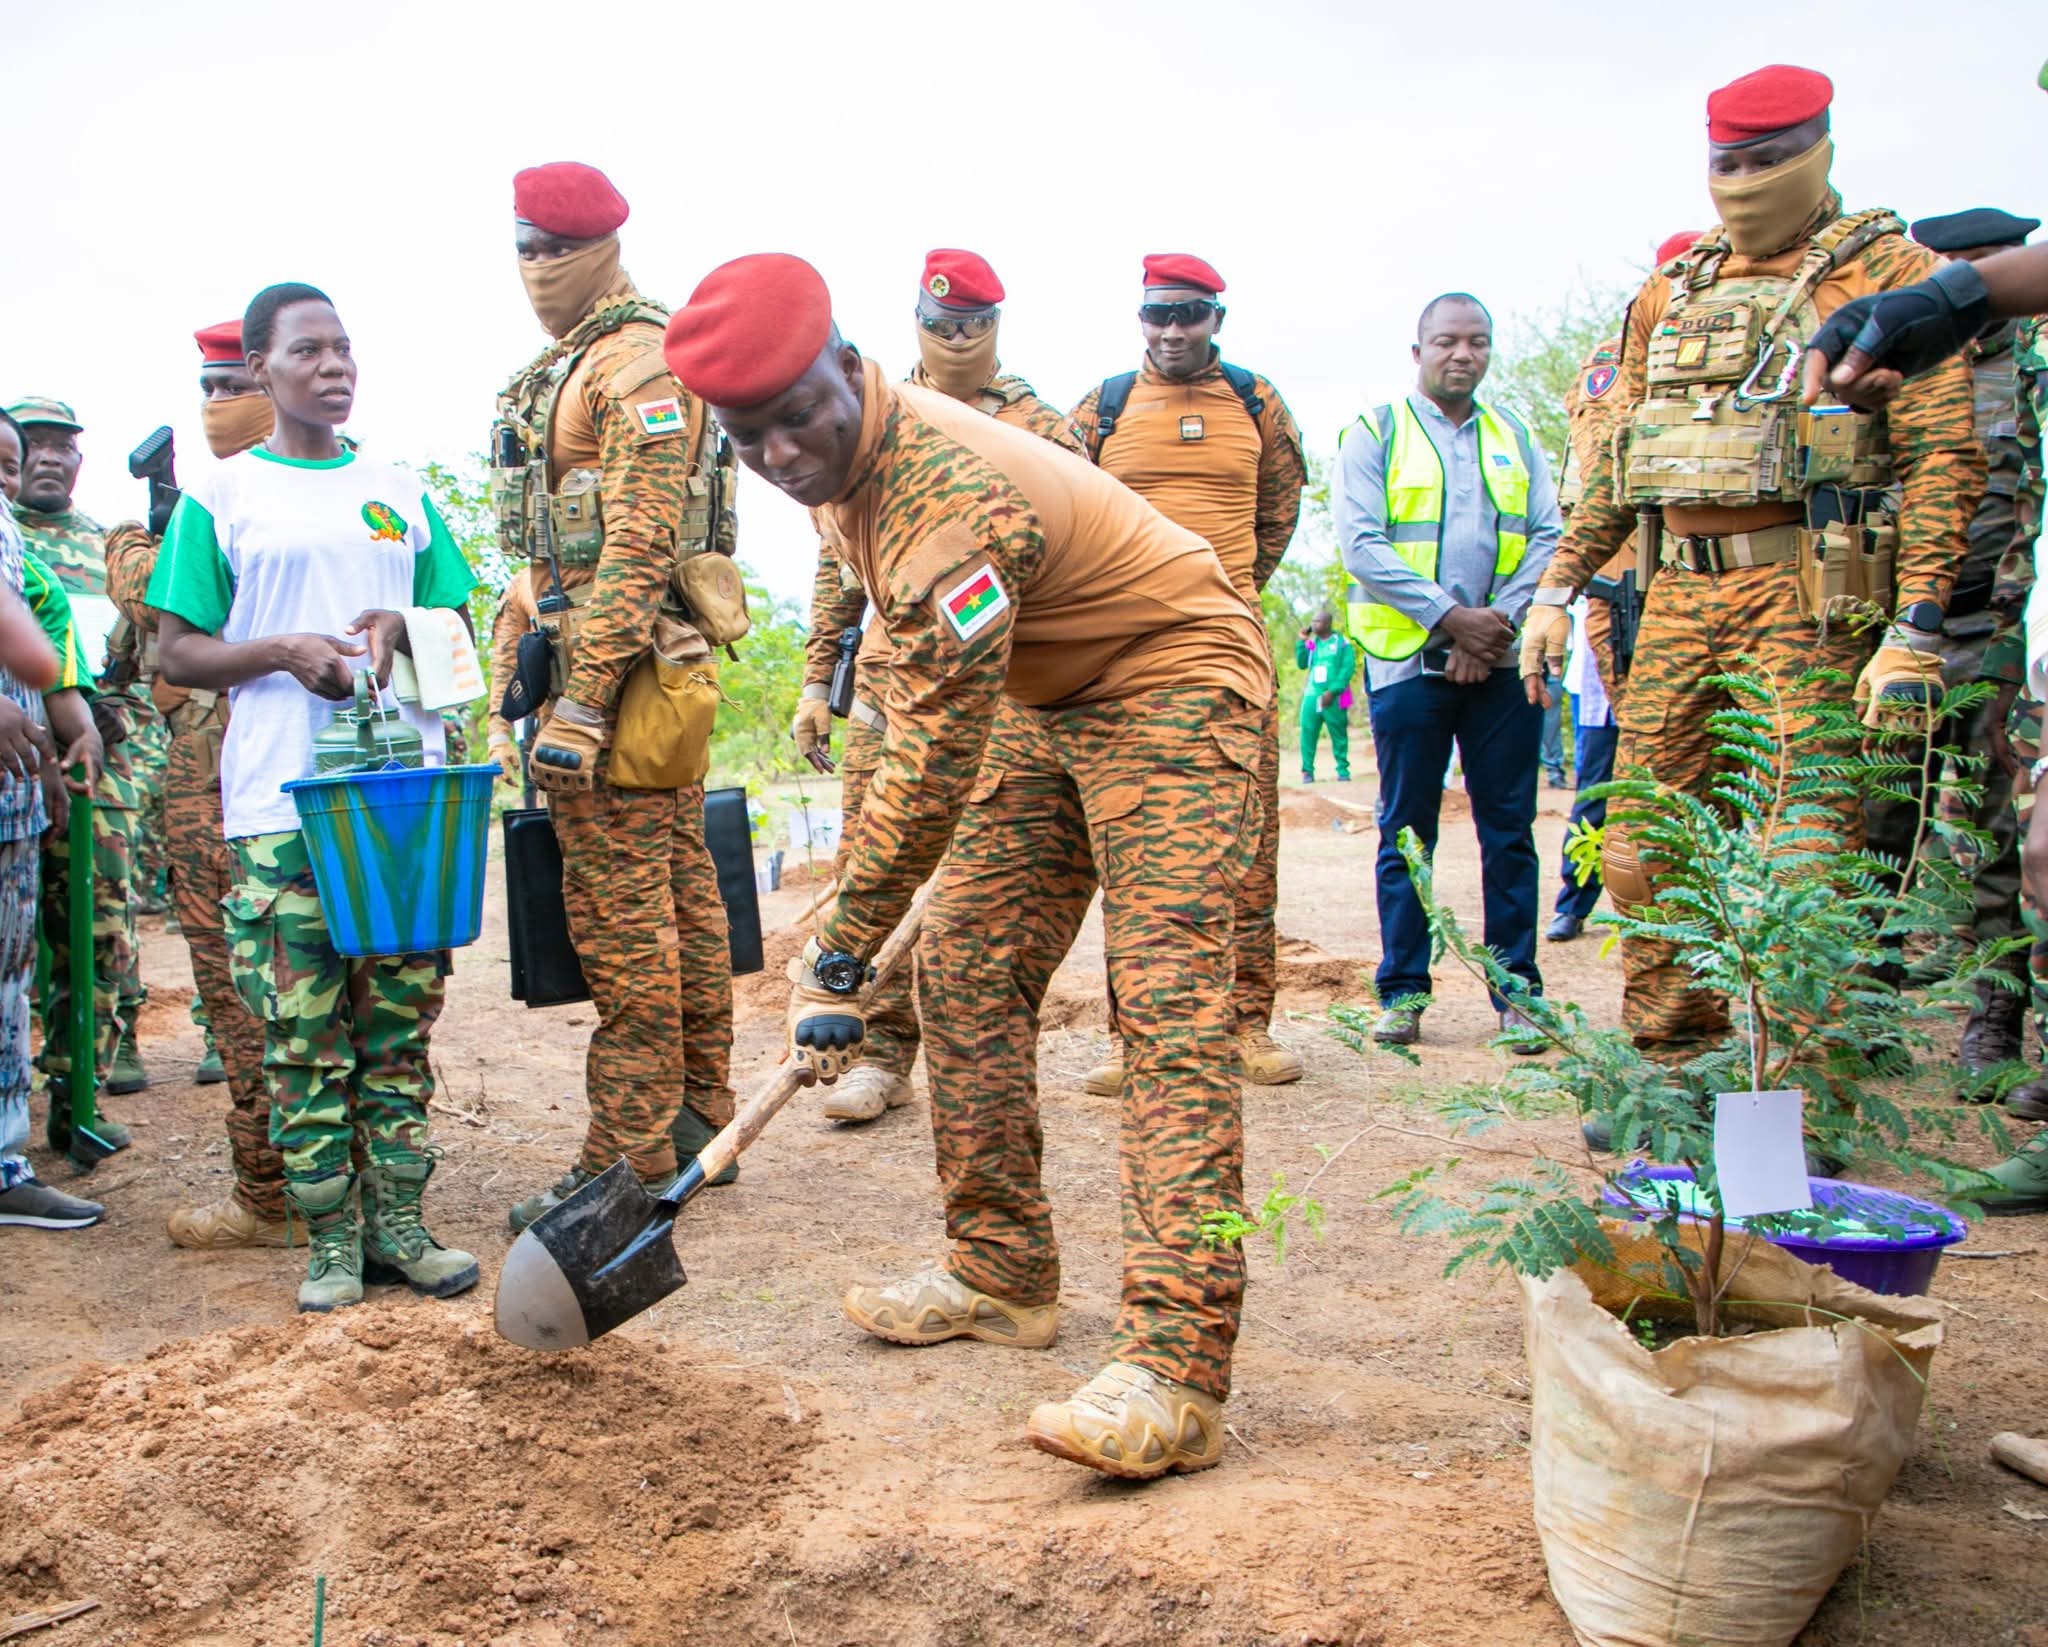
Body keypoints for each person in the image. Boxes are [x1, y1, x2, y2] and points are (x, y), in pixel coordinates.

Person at [664, 253, 1273, 1479]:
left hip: (1172, 675)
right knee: (964, 972)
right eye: (749, 437)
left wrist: (835, 952)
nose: (781, 454)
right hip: (1048, 697)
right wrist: (862, 952)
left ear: (849, 366)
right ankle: (1000, 1272)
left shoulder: (949, 501)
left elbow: (931, 760)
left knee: (1163, 1009)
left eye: (796, 419)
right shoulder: (846, 467)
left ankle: (1176, 1364)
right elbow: (930, 705)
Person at [1520, 65, 1983, 1074]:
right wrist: (1556, 589)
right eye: (1725, 161)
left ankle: (1796, 1086)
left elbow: (1943, 457)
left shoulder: (1887, 274)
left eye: (1767, 160)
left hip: (1810, 599)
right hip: (1679, 595)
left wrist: (1912, 629)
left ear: (1818, 149)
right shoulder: (1670, 290)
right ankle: (1672, 1066)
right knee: (1644, 855)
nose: (1741, 181)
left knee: (1803, 858)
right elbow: (1619, 462)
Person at [150, 281, 480, 1312]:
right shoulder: (223, 496)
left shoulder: (402, 489)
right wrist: (282, 654)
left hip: (397, 800)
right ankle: (330, 1240)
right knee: (300, 1034)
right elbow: (176, 651)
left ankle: (400, 1228)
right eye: (308, 351)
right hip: (279, 809)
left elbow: (459, 634)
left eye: (343, 349)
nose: (333, 366)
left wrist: (400, 631)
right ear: (260, 370)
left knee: (396, 1025)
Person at [486, 163, 738, 1232]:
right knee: (681, 898)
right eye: (523, 247)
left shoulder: (630, 361)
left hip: (625, 684)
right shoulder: (598, 356)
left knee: (628, 924)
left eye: (553, 247)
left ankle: (623, 1156)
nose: (536, 265)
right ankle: (696, 1123)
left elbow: (639, 536)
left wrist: (580, 701)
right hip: (641, 674)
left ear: (599, 247)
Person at [792, 248, 1082, 1125]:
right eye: (940, 324)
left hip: (993, 695)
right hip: (887, 687)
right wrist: (816, 680)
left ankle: (930, 1045)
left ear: (996, 328)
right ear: (917, 319)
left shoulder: (1041, 423)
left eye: (971, 327)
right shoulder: (873, 412)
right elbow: (836, 563)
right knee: (871, 862)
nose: (954, 339)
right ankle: (874, 1055)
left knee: (958, 885)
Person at [1069, 253, 1308, 1092]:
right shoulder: (1102, 408)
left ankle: (1249, 1026)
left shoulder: (1256, 402)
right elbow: (1067, 509)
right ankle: (1128, 1037)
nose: (1172, 332)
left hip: (1229, 645)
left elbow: (1278, 512)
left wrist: (1225, 591)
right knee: (1128, 841)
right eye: (1158, 315)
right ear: (1140, 317)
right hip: (1124, 653)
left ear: (1218, 319)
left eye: (1189, 315)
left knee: (1248, 837)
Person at [103, 319, 288, 1248]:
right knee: (231, 983)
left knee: (284, 982)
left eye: (232, 387)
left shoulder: (281, 497)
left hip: (265, 774)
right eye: (207, 389)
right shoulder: (195, 510)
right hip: (202, 775)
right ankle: (276, 1189)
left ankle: (291, 1191)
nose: (219, 406)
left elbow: (161, 599)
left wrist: (143, 545)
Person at [1336, 291, 1561, 1049]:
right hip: (1406, 665)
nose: (1462, 354)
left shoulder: (1517, 436)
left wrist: (1490, 628)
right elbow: (1362, 545)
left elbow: (1548, 536)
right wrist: (1450, 618)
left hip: (1500, 665)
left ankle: (1518, 994)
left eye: (1478, 341)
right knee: (1407, 831)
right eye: (1446, 341)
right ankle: (1402, 992)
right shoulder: (1374, 433)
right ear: (1418, 351)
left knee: (1509, 829)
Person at [1860, 211, 2040, 1086]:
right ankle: (1868, 1008)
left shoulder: (2031, 366)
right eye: (1952, 269)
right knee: (1881, 822)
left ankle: (1996, 1020)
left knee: (2002, 839)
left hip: (2000, 632)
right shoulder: (1899, 364)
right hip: (1906, 633)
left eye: (1986, 266)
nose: (1969, 283)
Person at [4, 396, 154, 1152]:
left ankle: (76, 1092)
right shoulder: (8, 539)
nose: (49, 457)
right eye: (32, 444)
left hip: (99, 755)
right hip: (19, 747)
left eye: (65, 444)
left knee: (94, 921)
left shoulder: (103, 545)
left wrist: (112, 714)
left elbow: (137, 647)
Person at [0, 418, 102, 1229]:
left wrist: (65, 743)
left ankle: (6, 1159)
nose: (9, 478)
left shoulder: (17, 547)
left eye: (10, 466)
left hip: (12, 799)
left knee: (11, 974)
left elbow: (45, 654)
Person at [1295, 607, 1354, 782]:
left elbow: (1347, 669)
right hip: (1312, 694)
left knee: (1338, 732)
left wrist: (1333, 690)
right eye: (1312, 621)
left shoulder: (1342, 642)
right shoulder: (1312, 644)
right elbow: (1301, 664)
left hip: (1333, 696)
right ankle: (1307, 771)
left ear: (1327, 623)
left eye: (1317, 621)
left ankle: (1343, 770)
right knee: (1307, 731)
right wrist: (1301, 642)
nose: (1313, 624)